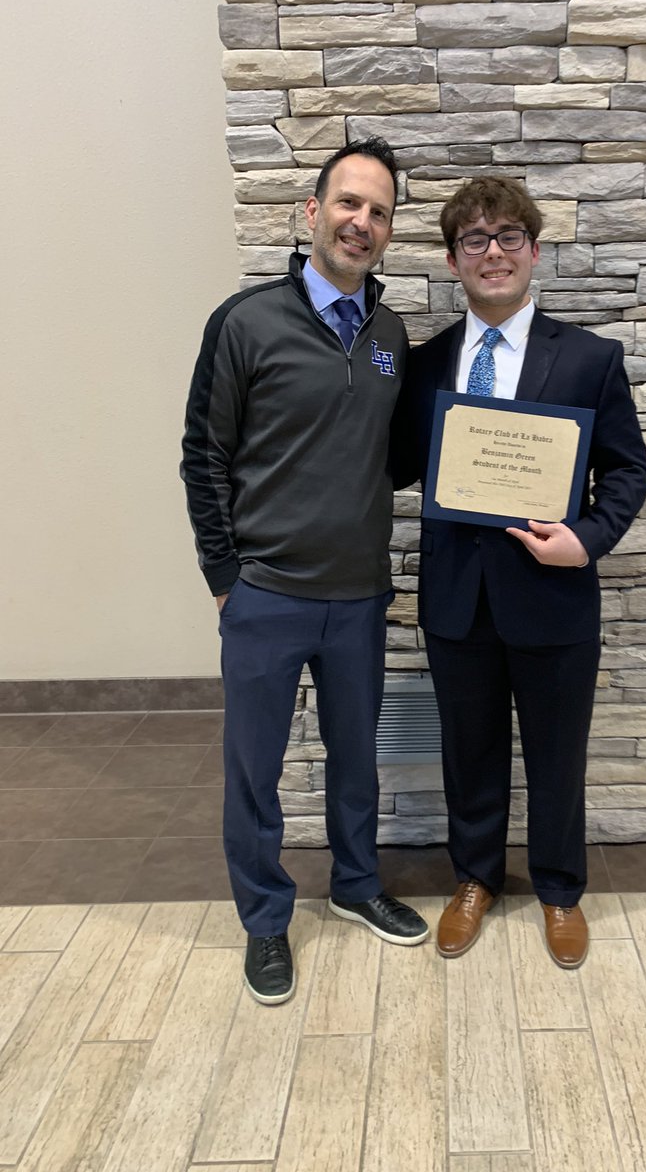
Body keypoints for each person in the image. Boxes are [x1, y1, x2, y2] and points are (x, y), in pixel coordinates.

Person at [181, 137, 428, 1007]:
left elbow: (392, 459)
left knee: (355, 758)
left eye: (380, 212)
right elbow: (202, 455)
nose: (362, 222)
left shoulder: (392, 334)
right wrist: (225, 576)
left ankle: (357, 886)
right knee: (255, 768)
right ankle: (264, 921)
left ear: (390, 231)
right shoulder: (245, 321)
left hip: (357, 596)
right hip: (267, 596)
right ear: (312, 212)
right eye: (349, 203)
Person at [402, 177, 646, 969]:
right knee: (467, 752)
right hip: (456, 600)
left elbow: (628, 473)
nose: (493, 252)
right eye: (474, 239)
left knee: (556, 754)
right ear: (452, 261)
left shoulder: (589, 358)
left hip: (553, 594)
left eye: (509, 235)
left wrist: (585, 540)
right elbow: (401, 465)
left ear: (535, 251)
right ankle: (474, 880)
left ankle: (559, 889)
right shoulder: (426, 362)